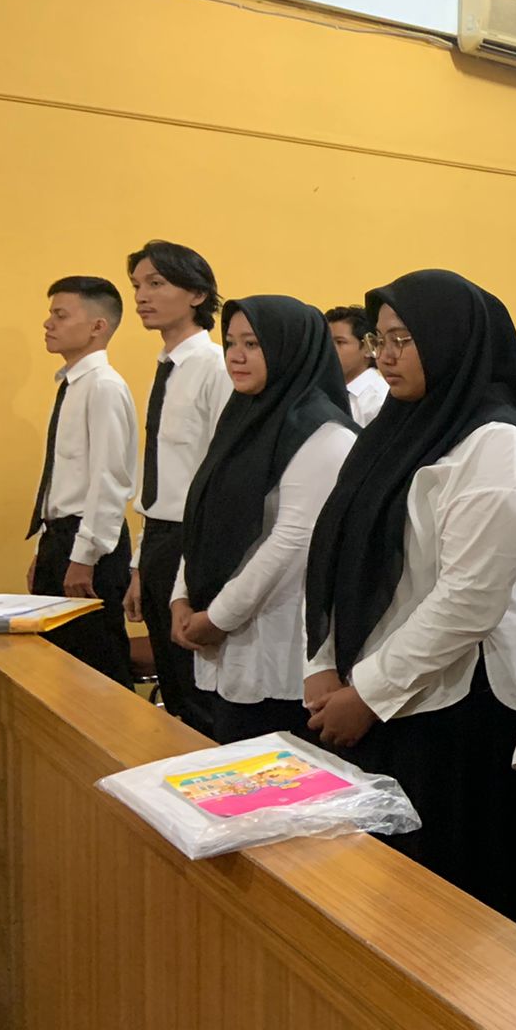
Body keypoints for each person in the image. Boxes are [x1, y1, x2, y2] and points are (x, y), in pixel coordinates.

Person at [303, 270, 516, 917]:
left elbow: (470, 599)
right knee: (384, 894)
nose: (385, 356)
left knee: (449, 903)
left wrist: (367, 693)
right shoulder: (400, 428)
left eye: (403, 340)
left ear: (449, 342)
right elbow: (343, 553)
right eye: (379, 340)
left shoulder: (498, 445)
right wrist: (323, 660)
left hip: (462, 708)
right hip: (387, 691)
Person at [168, 297, 358, 744]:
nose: (236, 356)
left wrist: (217, 616)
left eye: (252, 344)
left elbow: (293, 541)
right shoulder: (241, 417)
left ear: (291, 348)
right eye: (231, 343)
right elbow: (203, 512)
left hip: (277, 644)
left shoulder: (324, 433)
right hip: (220, 631)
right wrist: (182, 596)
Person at [124, 241, 232, 737]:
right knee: (173, 685)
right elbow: (160, 475)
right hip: (159, 537)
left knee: (197, 685)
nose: (142, 297)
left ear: (197, 294)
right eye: (137, 286)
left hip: (196, 538)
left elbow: (220, 475)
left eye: (156, 283)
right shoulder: (167, 367)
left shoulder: (215, 368)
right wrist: (139, 564)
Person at [26, 276, 138, 686]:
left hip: (90, 544)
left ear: (97, 326)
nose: (48, 324)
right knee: (57, 668)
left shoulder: (104, 387)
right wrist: (45, 547)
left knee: (95, 669)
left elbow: (110, 480)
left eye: (60, 315)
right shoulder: (73, 385)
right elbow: (64, 479)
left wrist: (83, 557)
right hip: (61, 538)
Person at [326, 304, 389, 427]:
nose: (329, 349)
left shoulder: (379, 399)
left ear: (368, 348)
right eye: (327, 342)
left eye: (339, 342)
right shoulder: (323, 392)